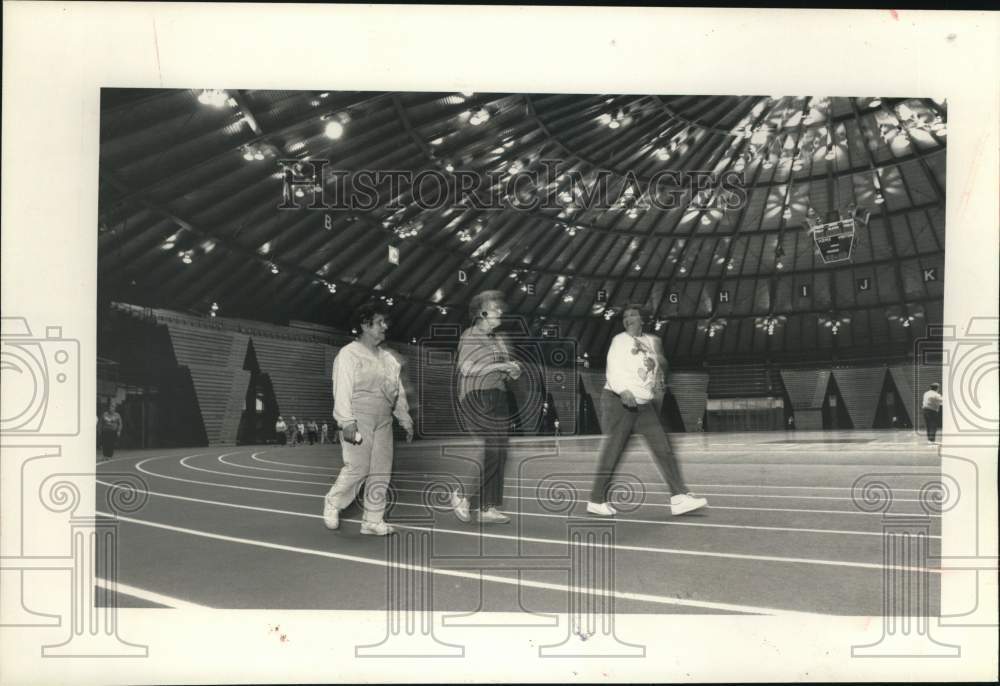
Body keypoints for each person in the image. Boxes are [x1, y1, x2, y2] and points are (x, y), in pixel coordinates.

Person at [587, 305, 707, 517]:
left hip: (644, 404)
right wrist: (622, 390)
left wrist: (660, 364)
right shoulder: (620, 340)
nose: (628, 318)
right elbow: (612, 368)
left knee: (664, 448)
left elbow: (659, 369)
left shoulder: (651, 342)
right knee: (614, 450)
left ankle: (678, 497)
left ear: (643, 319)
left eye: (633, 315)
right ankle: (596, 500)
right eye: (625, 316)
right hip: (620, 401)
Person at [323, 302, 414, 536]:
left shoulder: (389, 360)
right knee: (358, 466)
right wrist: (347, 421)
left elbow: (397, 391)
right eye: (380, 322)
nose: (385, 327)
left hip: (384, 417)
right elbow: (342, 388)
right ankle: (334, 502)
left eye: (385, 322)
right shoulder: (349, 354)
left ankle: (372, 520)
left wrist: (404, 418)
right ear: (365, 325)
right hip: (358, 415)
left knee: (382, 470)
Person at [450, 290, 522, 525]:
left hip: (498, 395)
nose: (500, 311)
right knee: (491, 447)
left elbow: (505, 372)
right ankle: (462, 495)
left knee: (501, 451)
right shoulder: (471, 335)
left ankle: (487, 506)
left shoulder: (499, 340)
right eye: (494, 307)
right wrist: (498, 367)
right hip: (476, 395)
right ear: (481, 313)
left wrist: (512, 370)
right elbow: (467, 369)